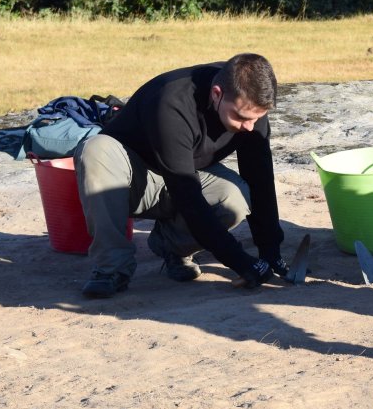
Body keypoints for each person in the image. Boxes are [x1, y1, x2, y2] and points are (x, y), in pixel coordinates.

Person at [75, 53, 287, 298]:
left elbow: (259, 178)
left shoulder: (248, 103)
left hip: (185, 173)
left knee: (234, 197)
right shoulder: (172, 102)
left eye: (256, 119)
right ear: (217, 94)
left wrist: (270, 250)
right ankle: (111, 269)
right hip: (132, 180)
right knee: (95, 149)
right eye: (240, 118)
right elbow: (188, 196)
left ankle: (171, 246)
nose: (249, 127)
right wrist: (240, 261)